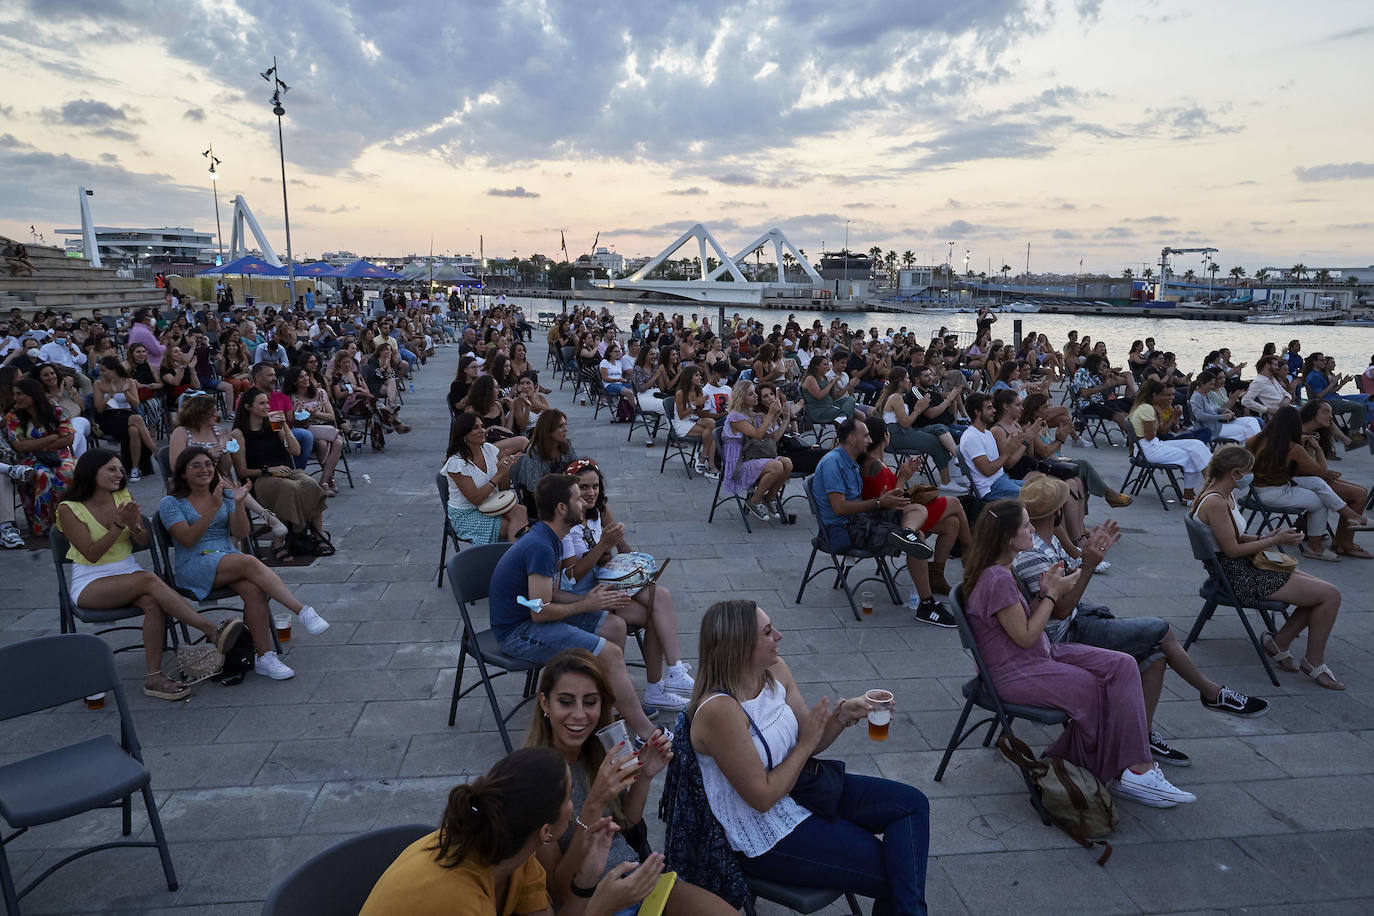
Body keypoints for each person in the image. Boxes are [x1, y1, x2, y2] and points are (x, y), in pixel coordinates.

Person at [690, 599, 931, 914]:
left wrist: (842, 716)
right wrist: (804, 746)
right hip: (765, 832)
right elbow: (762, 797)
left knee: (912, 805)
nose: (779, 635)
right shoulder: (720, 709)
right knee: (897, 871)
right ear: (740, 647)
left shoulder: (773, 670)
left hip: (803, 792)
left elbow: (810, 740)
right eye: (767, 632)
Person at [1011, 476, 1268, 768]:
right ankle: (1211, 693)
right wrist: (1089, 565)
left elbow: (1068, 586)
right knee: (1160, 628)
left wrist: (1087, 556)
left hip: (1076, 618)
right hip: (1066, 634)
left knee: (1156, 656)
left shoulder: (1050, 540)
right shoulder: (1032, 554)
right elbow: (1059, 609)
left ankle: (1143, 735)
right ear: (1057, 510)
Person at [958, 498, 1198, 807]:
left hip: (1037, 655)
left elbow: (1022, 625)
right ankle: (1121, 769)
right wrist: (1050, 596)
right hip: (1013, 671)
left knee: (1122, 665)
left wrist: (1059, 583)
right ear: (1007, 537)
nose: (1032, 528)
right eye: (1025, 525)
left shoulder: (1002, 569)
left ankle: (1132, 768)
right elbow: (1026, 635)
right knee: (1095, 688)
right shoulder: (997, 578)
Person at [523, 649, 734, 915]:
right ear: (545, 704)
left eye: (590, 702)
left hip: (638, 878)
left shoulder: (596, 753)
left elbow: (626, 826)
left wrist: (645, 775)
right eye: (565, 702)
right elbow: (559, 891)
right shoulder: (534, 778)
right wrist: (593, 804)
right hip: (592, 902)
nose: (579, 714)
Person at [360, 747, 664, 916]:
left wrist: (585, 882)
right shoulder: (460, 900)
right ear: (546, 830)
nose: (574, 806)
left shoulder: (516, 854)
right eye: (571, 798)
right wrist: (599, 909)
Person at [56, 449, 241, 701]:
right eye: (112, 469)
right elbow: (91, 554)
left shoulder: (121, 495)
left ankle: (154, 677)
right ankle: (211, 629)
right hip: (92, 580)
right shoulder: (70, 508)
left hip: (129, 572)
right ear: (91, 471)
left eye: (121, 469)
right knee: (150, 580)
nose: (119, 474)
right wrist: (118, 525)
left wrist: (134, 525)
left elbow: (143, 539)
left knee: (153, 601)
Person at [488, 474, 658, 741]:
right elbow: (540, 611)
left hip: (532, 617)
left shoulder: (551, 536)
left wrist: (590, 600)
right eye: (578, 498)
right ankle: (646, 733)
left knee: (615, 625)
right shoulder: (541, 546)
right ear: (562, 508)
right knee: (611, 654)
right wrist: (586, 604)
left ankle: (607, 703)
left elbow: (551, 594)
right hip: (517, 631)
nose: (585, 502)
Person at [159, 446, 329, 681]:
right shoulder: (171, 503)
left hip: (227, 557)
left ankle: (265, 657)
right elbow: (187, 539)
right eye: (196, 465)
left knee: (253, 588)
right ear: (182, 474)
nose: (204, 469)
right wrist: (213, 507)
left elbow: (242, 531)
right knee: (249, 562)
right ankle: (302, 611)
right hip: (194, 563)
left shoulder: (225, 494)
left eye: (208, 464)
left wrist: (238, 503)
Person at [1190, 446, 1345, 690]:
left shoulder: (1223, 494)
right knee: (1330, 595)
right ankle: (1313, 661)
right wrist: (1274, 541)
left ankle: (1279, 643)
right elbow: (1231, 550)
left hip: (1244, 564)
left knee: (1323, 592)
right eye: (1250, 471)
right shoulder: (1216, 502)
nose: (1253, 476)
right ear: (1235, 473)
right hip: (1238, 574)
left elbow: (1235, 538)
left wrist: (1268, 536)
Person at [559, 459, 694, 711]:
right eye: (584, 487)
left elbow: (623, 550)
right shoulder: (566, 523)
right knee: (656, 611)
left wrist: (636, 567)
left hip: (608, 583)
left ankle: (668, 678)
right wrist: (602, 547)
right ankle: (661, 683)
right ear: (572, 491)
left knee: (659, 596)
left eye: (595, 486)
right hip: (584, 594)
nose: (591, 493)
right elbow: (571, 576)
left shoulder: (600, 510)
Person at [810, 417, 945, 625]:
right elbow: (840, 508)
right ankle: (926, 605)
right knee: (918, 539)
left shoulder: (851, 462)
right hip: (844, 528)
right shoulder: (833, 463)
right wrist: (879, 503)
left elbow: (863, 502)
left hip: (862, 519)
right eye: (865, 435)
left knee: (917, 509)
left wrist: (886, 498)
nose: (869, 440)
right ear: (853, 438)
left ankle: (907, 533)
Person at [860, 415, 970, 600]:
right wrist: (902, 478)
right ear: (886, 436)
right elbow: (890, 501)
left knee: (952, 524)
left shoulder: (875, 462)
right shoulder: (875, 465)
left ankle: (936, 575)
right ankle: (970, 549)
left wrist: (904, 476)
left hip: (900, 514)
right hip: (893, 519)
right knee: (954, 503)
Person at [1247, 405, 1369, 561]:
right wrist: (1317, 449)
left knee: (1317, 483)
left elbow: (1248, 447)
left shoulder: (1258, 438)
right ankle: (1314, 547)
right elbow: (1321, 470)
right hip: (1275, 493)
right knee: (1319, 501)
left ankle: (1350, 517)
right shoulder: (1293, 448)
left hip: (1256, 491)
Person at [230, 387, 329, 561]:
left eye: (267, 402)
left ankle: (318, 535)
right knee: (288, 487)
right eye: (262, 403)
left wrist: (284, 426)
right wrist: (268, 470)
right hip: (259, 478)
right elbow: (241, 471)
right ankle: (279, 541)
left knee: (311, 484)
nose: (267, 406)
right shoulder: (239, 434)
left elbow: (296, 451)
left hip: (285, 472)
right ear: (248, 407)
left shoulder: (272, 424)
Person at [4, 376, 77, 535]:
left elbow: (69, 438)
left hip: (60, 456)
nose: (16, 398)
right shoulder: (14, 417)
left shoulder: (57, 412)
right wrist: (52, 437)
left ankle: (69, 521)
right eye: (14, 394)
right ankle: (46, 526)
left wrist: (34, 443)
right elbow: (19, 446)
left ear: (33, 394)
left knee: (66, 473)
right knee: (43, 475)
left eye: (20, 394)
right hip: (30, 459)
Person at [442, 412, 529, 545]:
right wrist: (499, 474)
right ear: (464, 434)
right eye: (476, 427)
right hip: (467, 514)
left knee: (521, 511)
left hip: (492, 504)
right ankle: (515, 559)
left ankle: (516, 557)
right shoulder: (457, 463)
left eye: (482, 426)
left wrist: (505, 471)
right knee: (513, 528)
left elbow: (503, 489)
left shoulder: (488, 449)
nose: (482, 430)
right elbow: (475, 499)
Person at [722, 380, 793, 522]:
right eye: (751, 394)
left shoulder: (751, 414)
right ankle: (754, 500)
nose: (756, 396)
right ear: (741, 398)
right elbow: (757, 435)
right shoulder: (735, 416)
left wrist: (777, 415)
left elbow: (769, 434)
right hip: (738, 462)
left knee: (787, 463)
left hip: (752, 456)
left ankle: (770, 498)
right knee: (776, 466)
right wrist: (771, 414)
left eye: (755, 393)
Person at [1127, 380, 1211, 500]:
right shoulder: (1147, 409)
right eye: (1162, 394)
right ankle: (1195, 493)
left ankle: (1209, 483)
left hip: (1149, 445)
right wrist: (1157, 419)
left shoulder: (1144, 407)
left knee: (1196, 444)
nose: (1165, 398)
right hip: (1147, 449)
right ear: (1155, 395)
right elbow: (1150, 436)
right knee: (1191, 456)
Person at [284, 365, 344, 496]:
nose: (306, 378)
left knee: (337, 442)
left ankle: (324, 481)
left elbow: (331, 416)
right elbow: (294, 423)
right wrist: (298, 413)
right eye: (301, 377)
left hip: (324, 427)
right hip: (307, 429)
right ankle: (329, 480)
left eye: (306, 375)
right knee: (326, 443)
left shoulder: (320, 393)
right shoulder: (291, 398)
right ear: (294, 381)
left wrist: (315, 413)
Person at [958, 391, 1025, 500]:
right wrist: (1008, 451)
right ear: (978, 412)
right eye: (989, 408)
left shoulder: (987, 433)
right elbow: (988, 471)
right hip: (991, 488)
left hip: (1002, 480)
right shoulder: (972, 437)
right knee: (1038, 497)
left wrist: (1013, 445)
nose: (994, 410)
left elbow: (1000, 462)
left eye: (992, 407)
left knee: (1043, 488)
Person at [1188, 370, 1262, 442]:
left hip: (1217, 424)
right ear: (1202, 384)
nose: (1212, 387)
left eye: (1213, 384)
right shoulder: (1196, 397)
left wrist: (1223, 410)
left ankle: (1258, 445)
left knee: (1252, 420)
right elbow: (1200, 416)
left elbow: (1213, 408)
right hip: (1211, 428)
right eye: (1210, 384)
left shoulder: (1205, 394)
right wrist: (1222, 416)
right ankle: (1255, 448)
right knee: (1244, 430)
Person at [672, 366, 718, 478]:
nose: (700, 377)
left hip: (693, 420)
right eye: (696, 375)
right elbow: (682, 415)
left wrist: (702, 405)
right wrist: (695, 404)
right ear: (689, 377)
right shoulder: (680, 393)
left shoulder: (698, 390)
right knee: (713, 434)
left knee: (712, 424)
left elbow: (698, 412)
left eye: (699, 375)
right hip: (682, 423)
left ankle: (703, 457)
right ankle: (708, 463)